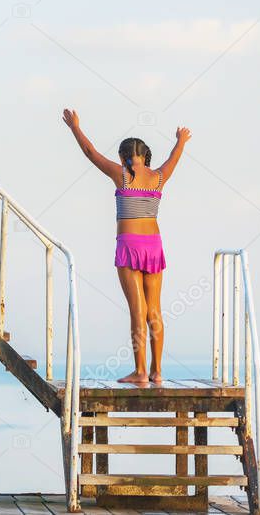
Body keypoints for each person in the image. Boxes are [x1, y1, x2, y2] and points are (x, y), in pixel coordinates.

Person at [62, 109, 191, 384]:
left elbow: (90, 152)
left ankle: (141, 372)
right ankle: (157, 372)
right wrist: (181, 140)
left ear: (123, 158)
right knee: (154, 309)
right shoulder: (158, 177)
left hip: (130, 246)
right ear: (146, 157)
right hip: (154, 246)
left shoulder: (121, 175)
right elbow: (173, 159)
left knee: (138, 310)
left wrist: (74, 127)